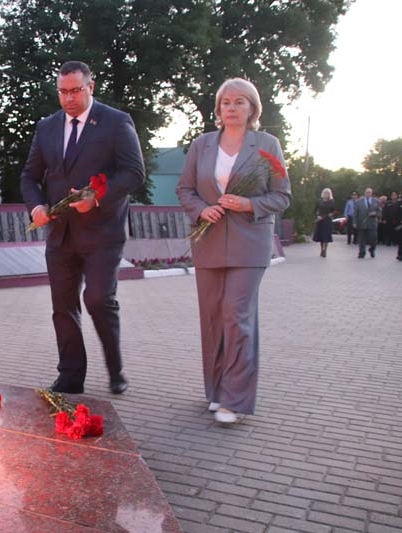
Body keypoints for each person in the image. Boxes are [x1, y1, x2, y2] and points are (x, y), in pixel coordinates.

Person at [20, 60, 145, 395]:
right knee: (63, 306)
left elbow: (134, 173)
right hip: (60, 234)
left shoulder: (116, 122)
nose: (69, 98)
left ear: (91, 87)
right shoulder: (46, 127)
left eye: (75, 90)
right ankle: (71, 375)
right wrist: (36, 206)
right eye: (63, 92)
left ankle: (115, 367)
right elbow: (30, 176)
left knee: (98, 299)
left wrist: (97, 197)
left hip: (103, 233)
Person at [176, 78, 291, 424]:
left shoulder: (267, 144)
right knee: (212, 319)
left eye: (240, 102)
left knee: (237, 317)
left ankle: (235, 401)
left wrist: (247, 203)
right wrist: (200, 210)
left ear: (253, 108)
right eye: (226, 102)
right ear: (218, 109)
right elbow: (185, 189)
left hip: (250, 243)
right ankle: (217, 391)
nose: (232, 107)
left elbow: (282, 195)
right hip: (208, 241)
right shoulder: (202, 145)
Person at [354, 187, 380, 258]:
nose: (368, 193)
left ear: (372, 193)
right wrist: (354, 222)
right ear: (364, 193)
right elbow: (355, 213)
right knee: (361, 239)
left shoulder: (376, 201)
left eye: (369, 192)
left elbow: (380, 211)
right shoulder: (358, 202)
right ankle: (362, 252)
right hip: (362, 223)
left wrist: (375, 213)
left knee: (373, 238)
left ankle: (372, 249)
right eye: (367, 192)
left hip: (372, 223)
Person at [312, 188, 335, 257]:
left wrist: (331, 214)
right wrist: (318, 215)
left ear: (329, 194)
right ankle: (322, 249)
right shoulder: (319, 201)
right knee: (321, 236)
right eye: (325, 193)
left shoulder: (332, 201)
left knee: (326, 236)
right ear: (323, 194)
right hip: (320, 220)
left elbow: (333, 210)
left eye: (327, 193)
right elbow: (315, 210)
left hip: (327, 220)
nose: (326, 194)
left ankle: (325, 250)